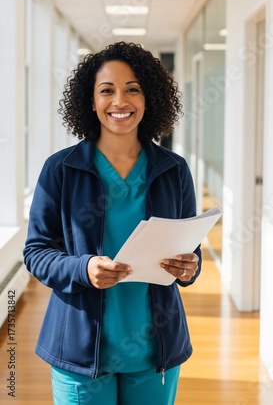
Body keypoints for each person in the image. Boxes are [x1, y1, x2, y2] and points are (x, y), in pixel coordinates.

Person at [23, 41, 202, 405]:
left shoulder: (174, 170)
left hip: (155, 350)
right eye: (107, 90)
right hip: (80, 347)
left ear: (148, 98)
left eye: (132, 89)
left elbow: (189, 248)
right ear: (91, 101)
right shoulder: (61, 169)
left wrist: (190, 266)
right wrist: (83, 267)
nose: (120, 101)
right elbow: (36, 252)